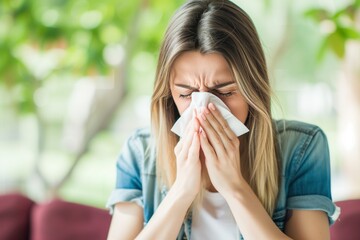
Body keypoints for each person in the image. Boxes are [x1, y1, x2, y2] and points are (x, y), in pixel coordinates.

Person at [106, 0, 340, 239]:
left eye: (226, 92)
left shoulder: (301, 149)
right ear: (169, 95)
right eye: (186, 94)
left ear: (252, 88)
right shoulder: (140, 152)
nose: (205, 109)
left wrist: (234, 188)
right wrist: (181, 192)